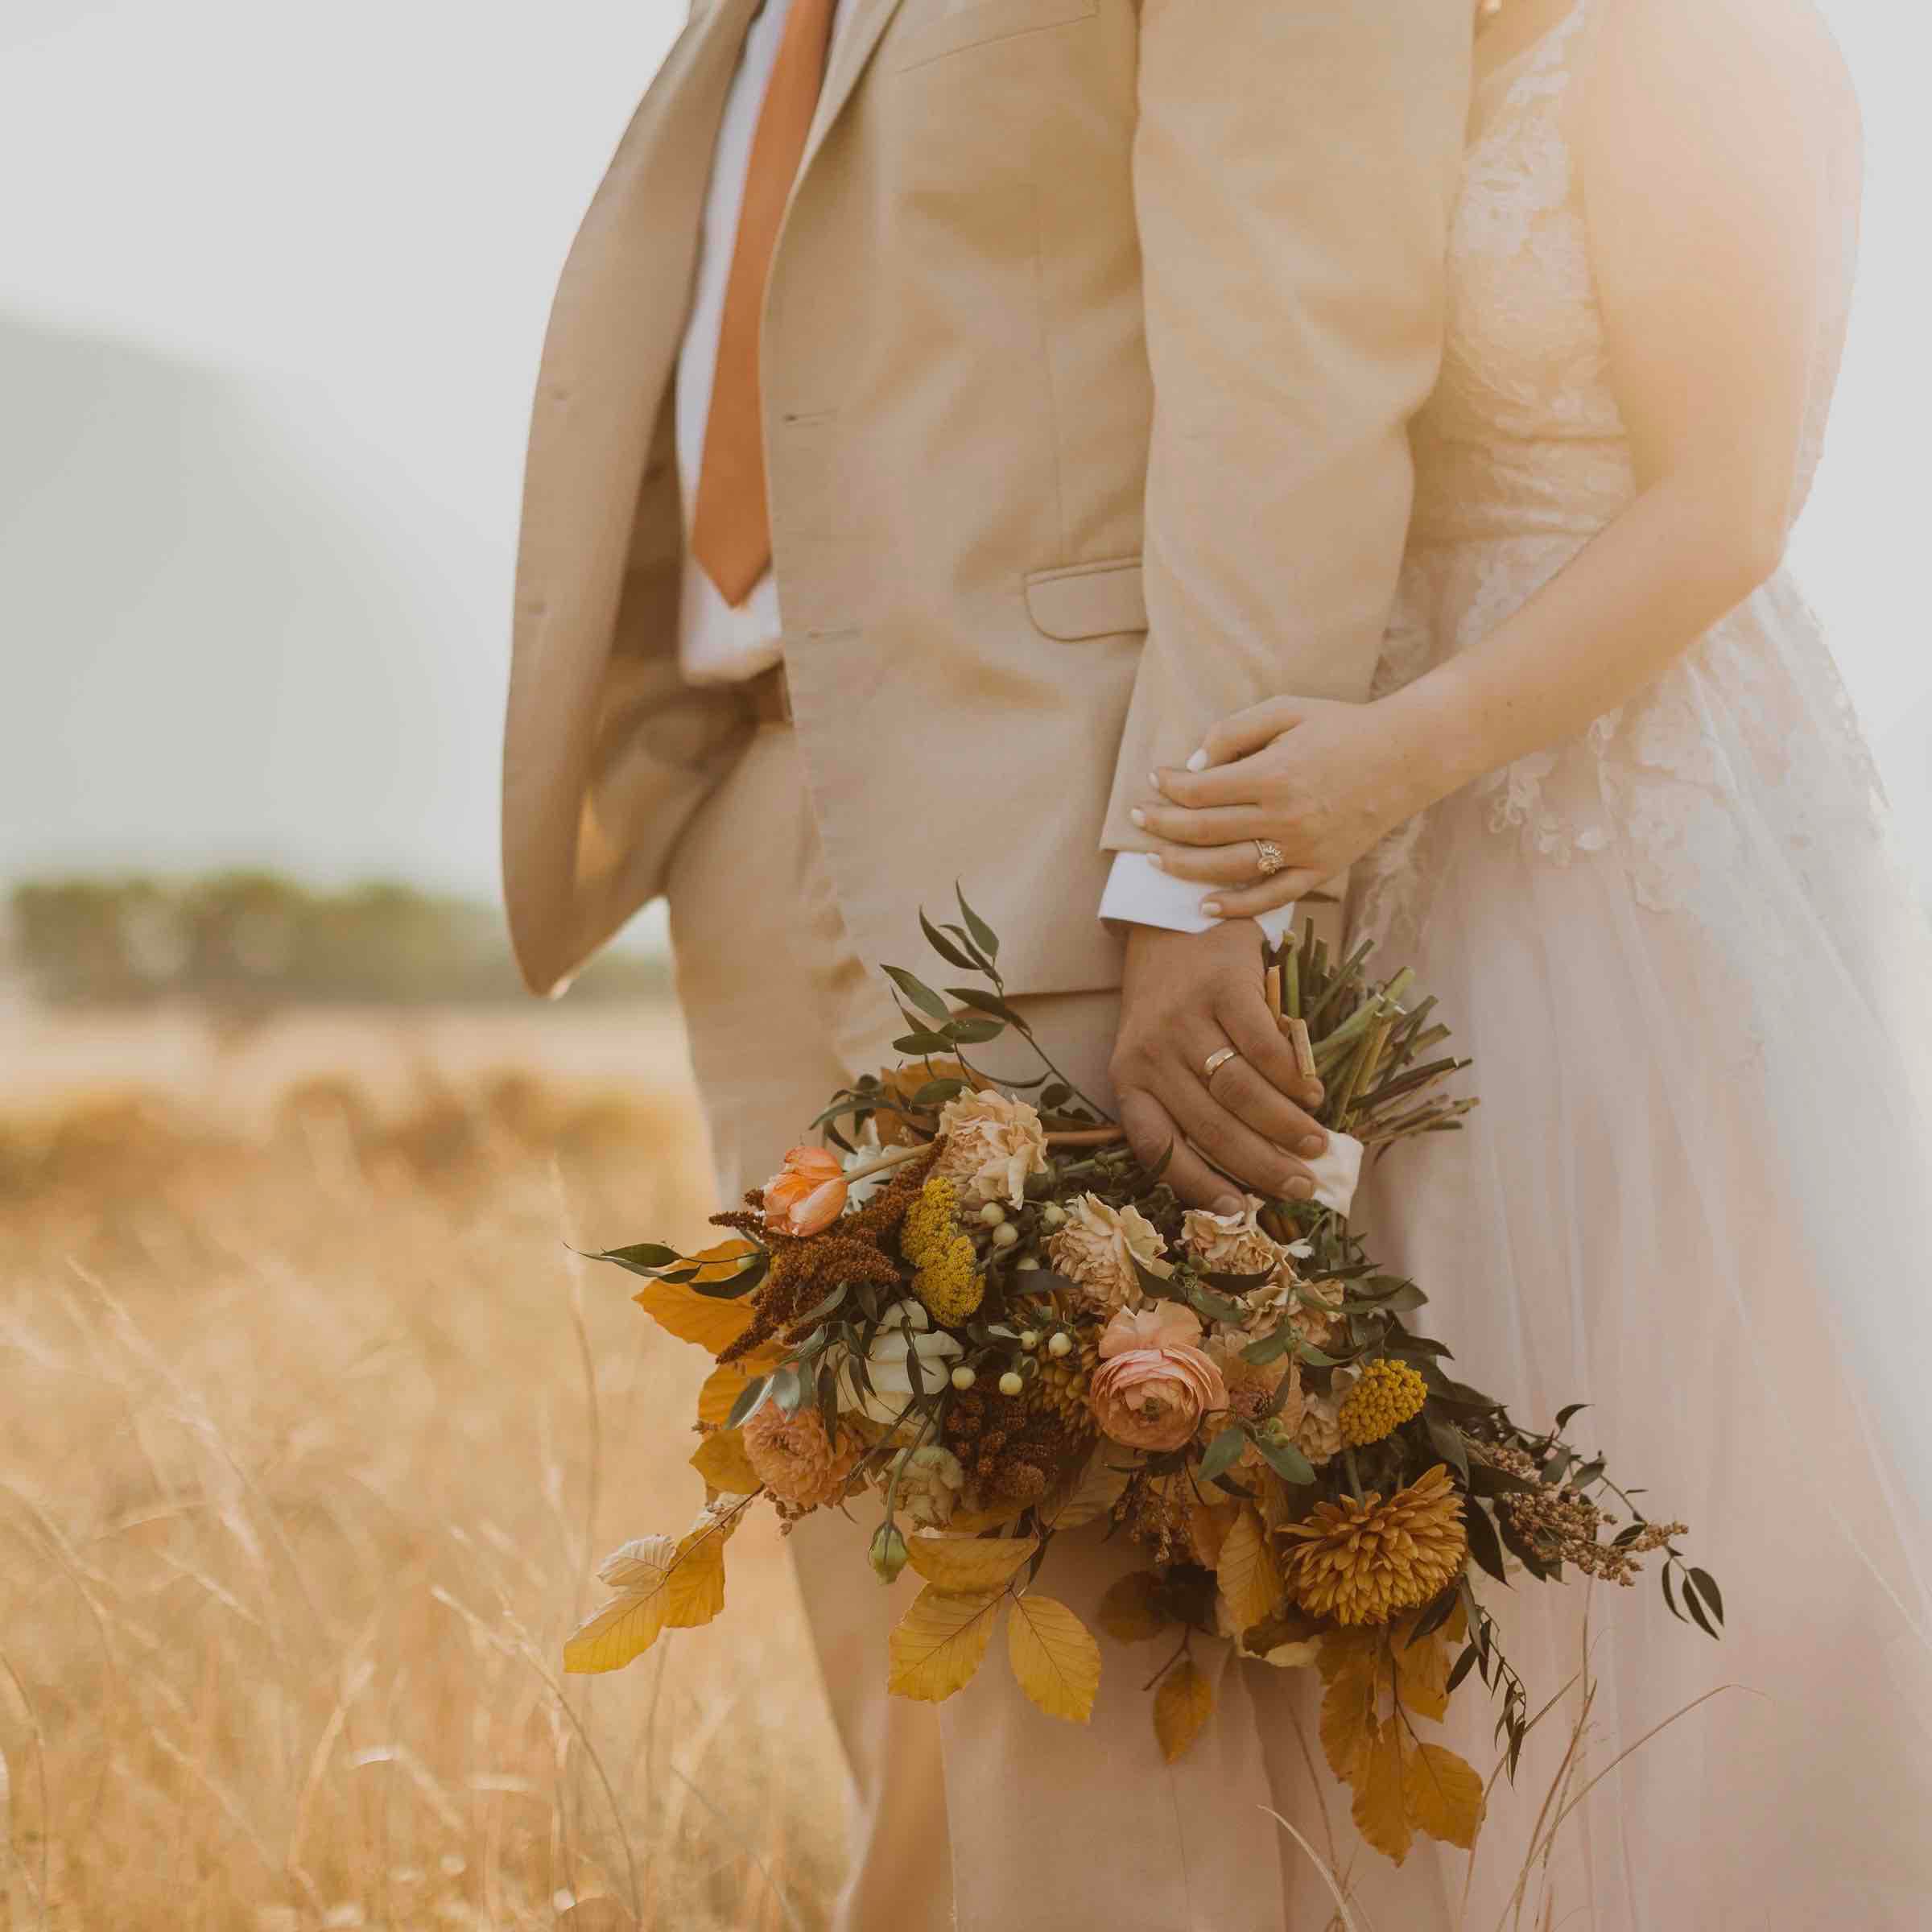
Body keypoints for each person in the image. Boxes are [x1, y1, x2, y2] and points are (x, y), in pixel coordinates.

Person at [500, 0, 1472, 1923]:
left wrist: (1196, 878)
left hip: (1069, 841)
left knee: (1095, 1688)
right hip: (749, 800)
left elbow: (1299, 337)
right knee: (895, 1645)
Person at [1133, 0, 1932, 1922]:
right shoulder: (1388, 47)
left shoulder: (1700, 43)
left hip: (1612, 817)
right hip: (1388, 823)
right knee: (1426, 1446)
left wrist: (1398, 760)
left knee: (1647, 1414)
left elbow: (1729, 503)